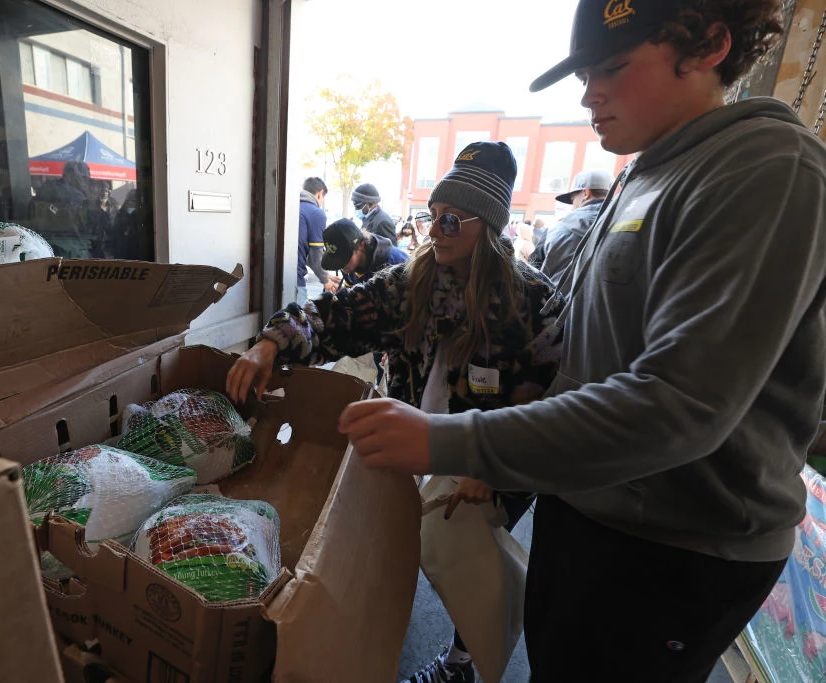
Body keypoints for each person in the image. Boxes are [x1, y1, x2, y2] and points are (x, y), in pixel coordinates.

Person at [336, 2, 826, 682]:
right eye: (585, 72)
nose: (588, 93)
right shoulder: (643, 175)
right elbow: (581, 357)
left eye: (612, 68)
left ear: (711, 45)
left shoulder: (764, 168)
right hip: (590, 505)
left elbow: (679, 403)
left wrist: (453, 440)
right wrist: (504, 462)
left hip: (671, 544)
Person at [226, 142, 565, 683]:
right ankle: (379, 636)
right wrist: (272, 342)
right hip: (413, 444)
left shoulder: (532, 302)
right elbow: (337, 315)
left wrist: (491, 466)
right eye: (433, 217)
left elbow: (548, 401)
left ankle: (463, 661)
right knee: (400, 543)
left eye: (452, 221)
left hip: (487, 459)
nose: (436, 232)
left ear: (491, 225)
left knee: (469, 565)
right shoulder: (413, 282)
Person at [541, 169, 613, 285]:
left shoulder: (555, 229)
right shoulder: (624, 224)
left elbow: (536, 275)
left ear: (586, 193)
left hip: (559, 301)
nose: (573, 206)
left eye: (573, 199)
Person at [320, 218, 408, 288]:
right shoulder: (350, 265)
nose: (341, 266)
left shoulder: (397, 266)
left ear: (361, 244)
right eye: (337, 260)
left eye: (344, 258)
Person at [297, 177, 333, 303]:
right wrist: (326, 281)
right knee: (299, 320)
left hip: (279, 273)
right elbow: (316, 255)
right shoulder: (316, 213)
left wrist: (326, 275)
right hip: (296, 279)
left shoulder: (293, 208)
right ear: (319, 194)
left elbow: (302, 250)